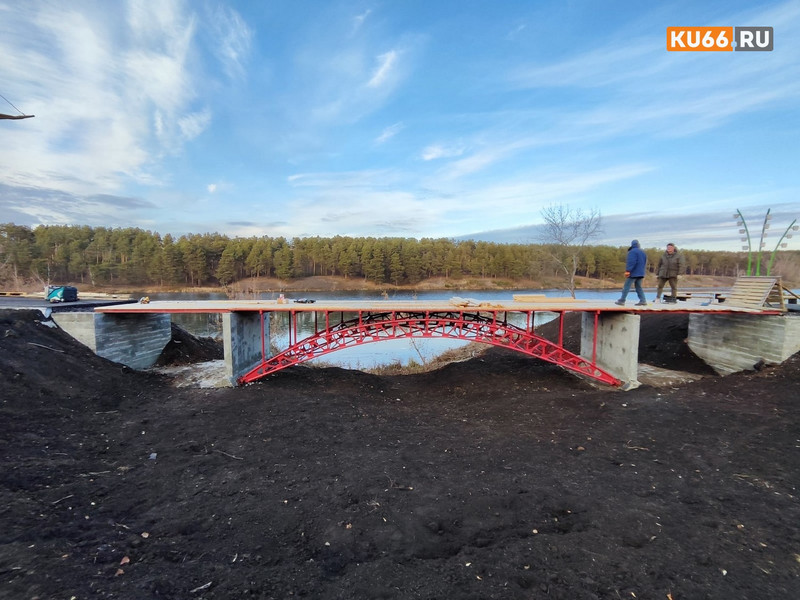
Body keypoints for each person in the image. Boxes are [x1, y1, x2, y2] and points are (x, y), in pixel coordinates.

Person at [615, 239, 648, 306]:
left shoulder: (632, 252)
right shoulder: (643, 252)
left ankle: (622, 300)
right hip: (641, 273)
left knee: (626, 286)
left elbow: (631, 262)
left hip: (633, 273)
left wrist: (628, 270)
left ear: (632, 245)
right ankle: (643, 300)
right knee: (638, 287)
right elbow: (644, 262)